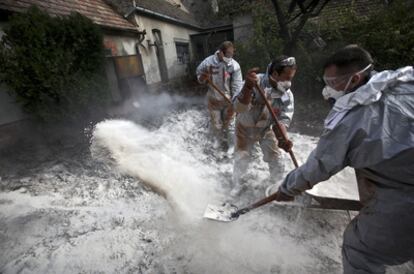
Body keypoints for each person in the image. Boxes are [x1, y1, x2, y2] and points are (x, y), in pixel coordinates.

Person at [272, 45, 414, 273]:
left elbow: (318, 166)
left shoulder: (349, 119)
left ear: (356, 78)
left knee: (359, 250)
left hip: (404, 194)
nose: (328, 90)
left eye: (333, 83)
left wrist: (288, 189)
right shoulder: (403, 82)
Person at [231, 56, 296, 195]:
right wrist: (248, 88)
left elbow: (283, 120)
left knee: (276, 159)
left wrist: (283, 138)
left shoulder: (287, 95)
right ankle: (237, 185)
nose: (289, 82)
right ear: (275, 74)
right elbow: (238, 108)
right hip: (245, 127)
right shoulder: (255, 82)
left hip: (266, 129)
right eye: (287, 78)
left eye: (291, 78)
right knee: (242, 157)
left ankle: (277, 187)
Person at [196, 41, 243, 150]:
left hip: (228, 100)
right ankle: (218, 141)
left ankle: (232, 146)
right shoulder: (208, 62)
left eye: (231, 55)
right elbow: (199, 75)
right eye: (227, 55)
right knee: (216, 123)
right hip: (213, 99)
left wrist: (234, 102)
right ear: (220, 52)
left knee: (230, 124)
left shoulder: (234, 66)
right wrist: (202, 77)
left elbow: (237, 86)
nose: (229, 58)